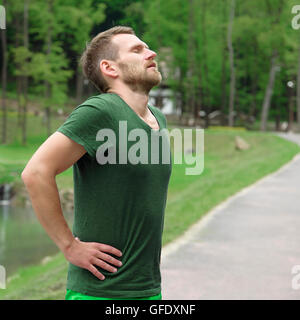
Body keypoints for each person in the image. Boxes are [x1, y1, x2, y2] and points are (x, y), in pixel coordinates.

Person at [21, 26, 172, 300]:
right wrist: (69, 246)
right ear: (109, 68)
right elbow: (36, 172)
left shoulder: (158, 118)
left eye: (147, 47)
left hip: (147, 289)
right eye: (137, 50)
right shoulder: (101, 111)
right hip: (100, 291)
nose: (151, 54)